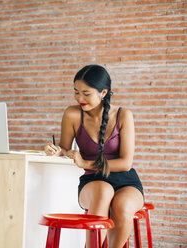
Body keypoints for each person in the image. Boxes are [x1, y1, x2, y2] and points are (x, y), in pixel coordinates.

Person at [44, 64, 144, 248]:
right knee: (103, 191)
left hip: (127, 182)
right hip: (93, 182)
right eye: (76, 92)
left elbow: (125, 163)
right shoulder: (72, 114)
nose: (79, 98)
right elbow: (65, 148)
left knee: (122, 206)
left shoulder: (123, 115)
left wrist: (86, 163)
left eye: (86, 93)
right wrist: (58, 151)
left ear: (103, 92)